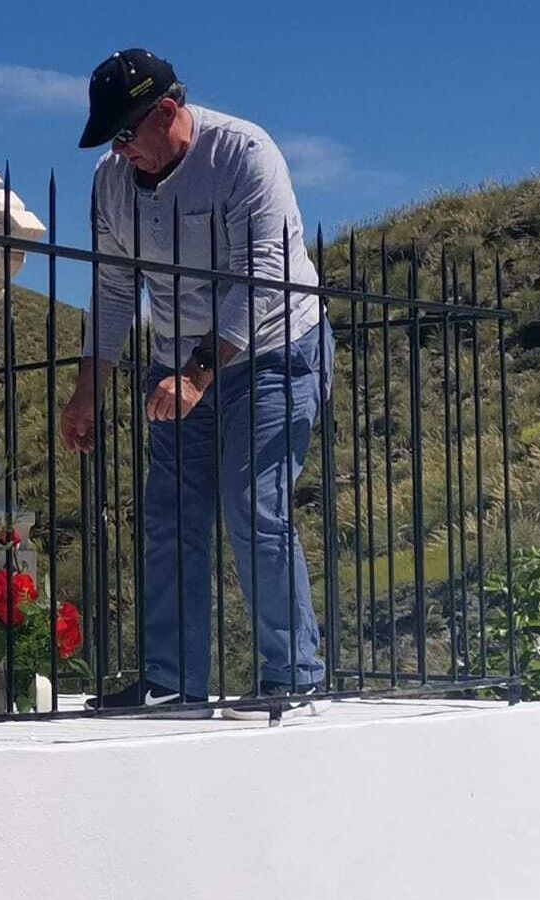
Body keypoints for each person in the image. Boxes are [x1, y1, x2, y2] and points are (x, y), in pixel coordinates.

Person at [62, 49, 332, 718]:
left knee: (253, 502)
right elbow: (115, 288)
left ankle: (293, 676)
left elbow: (260, 279)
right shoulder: (112, 183)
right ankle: (171, 679)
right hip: (179, 365)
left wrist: (197, 376)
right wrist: (88, 387)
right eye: (112, 140)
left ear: (170, 111)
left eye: (129, 133)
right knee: (169, 516)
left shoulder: (244, 154)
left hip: (274, 351)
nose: (123, 151)